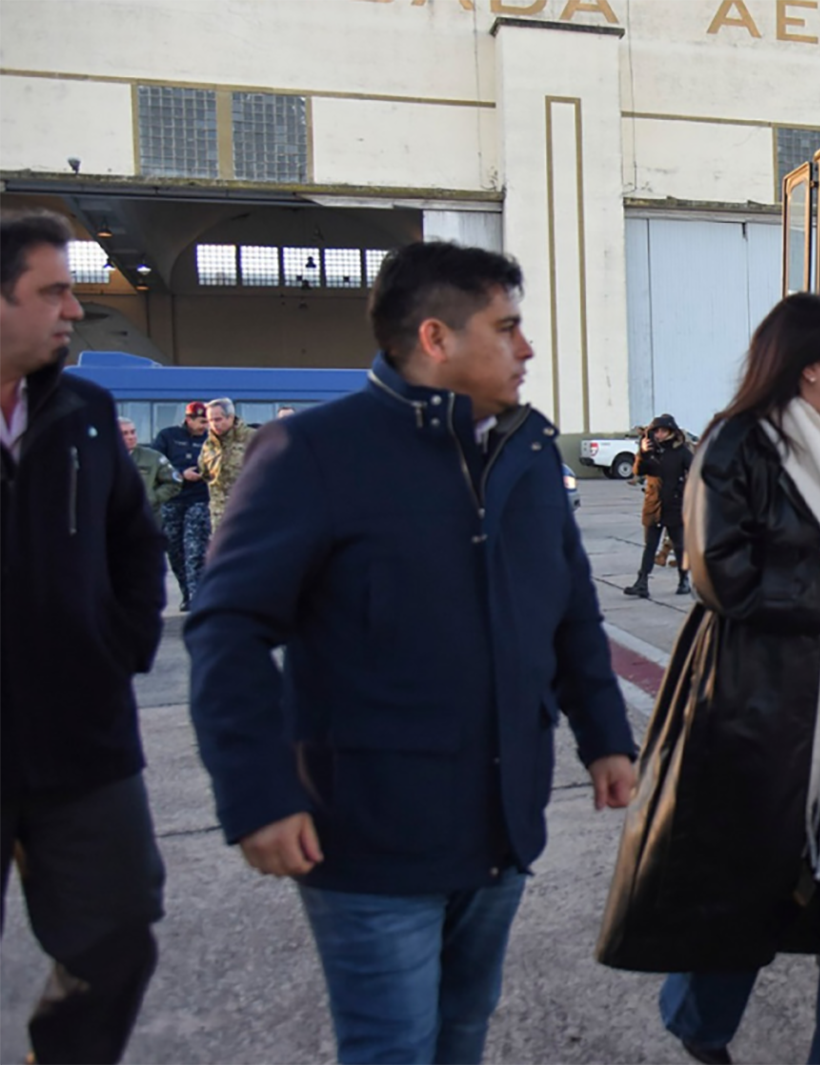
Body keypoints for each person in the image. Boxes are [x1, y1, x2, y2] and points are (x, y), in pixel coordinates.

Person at [185, 240, 640, 1065]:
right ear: (436, 338)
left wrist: (604, 735)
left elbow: (569, 604)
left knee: (461, 1035)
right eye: (508, 328)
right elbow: (227, 628)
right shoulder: (315, 453)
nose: (527, 348)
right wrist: (256, 792)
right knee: (392, 1049)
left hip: (502, 823)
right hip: (371, 833)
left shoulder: (527, 450)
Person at [597, 293, 820, 1065]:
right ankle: (698, 1016)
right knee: (754, 878)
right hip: (765, 700)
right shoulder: (735, 446)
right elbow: (726, 578)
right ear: (806, 364)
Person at [0, 207, 169, 1064]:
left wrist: (119, 648)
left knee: (117, 936)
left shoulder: (86, 414)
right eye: (54, 290)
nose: (75, 309)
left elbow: (135, 544)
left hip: (80, 734)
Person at [622, 413, 693, 599]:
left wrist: (683, 491)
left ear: (671, 432)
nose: (659, 434)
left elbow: (694, 472)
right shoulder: (650, 450)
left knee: (679, 545)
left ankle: (684, 579)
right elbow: (638, 471)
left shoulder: (681, 451)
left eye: (663, 431)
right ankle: (642, 582)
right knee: (650, 545)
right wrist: (643, 453)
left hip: (675, 504)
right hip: (653, 503)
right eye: (656, 431)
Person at [153, 402, 212, 608]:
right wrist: (180, 473)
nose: (205, 426)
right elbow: (157, 465)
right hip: (174, 500)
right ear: (189, 419)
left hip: (200, 499)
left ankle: (198, 597)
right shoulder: (168, 437)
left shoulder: (211, 440)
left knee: (195, 548)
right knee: (175, 550)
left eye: (208, 421)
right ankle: (187, 593)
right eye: (201, 421)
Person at [197, 396, 253, 531]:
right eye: (209, 420)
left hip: (249, 512)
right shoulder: (209, 445)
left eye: (218, 419)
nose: (213, 425)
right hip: (220, 517)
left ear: (231, 417)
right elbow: (205, 473)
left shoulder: (253, 439)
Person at [121, 415, 180, 519]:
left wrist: (153, 498)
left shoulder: (153, 458)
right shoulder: (101, 459)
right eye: (124, 434)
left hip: (146, 519)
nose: (131, 437)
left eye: (133, 432)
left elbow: (174, 482)